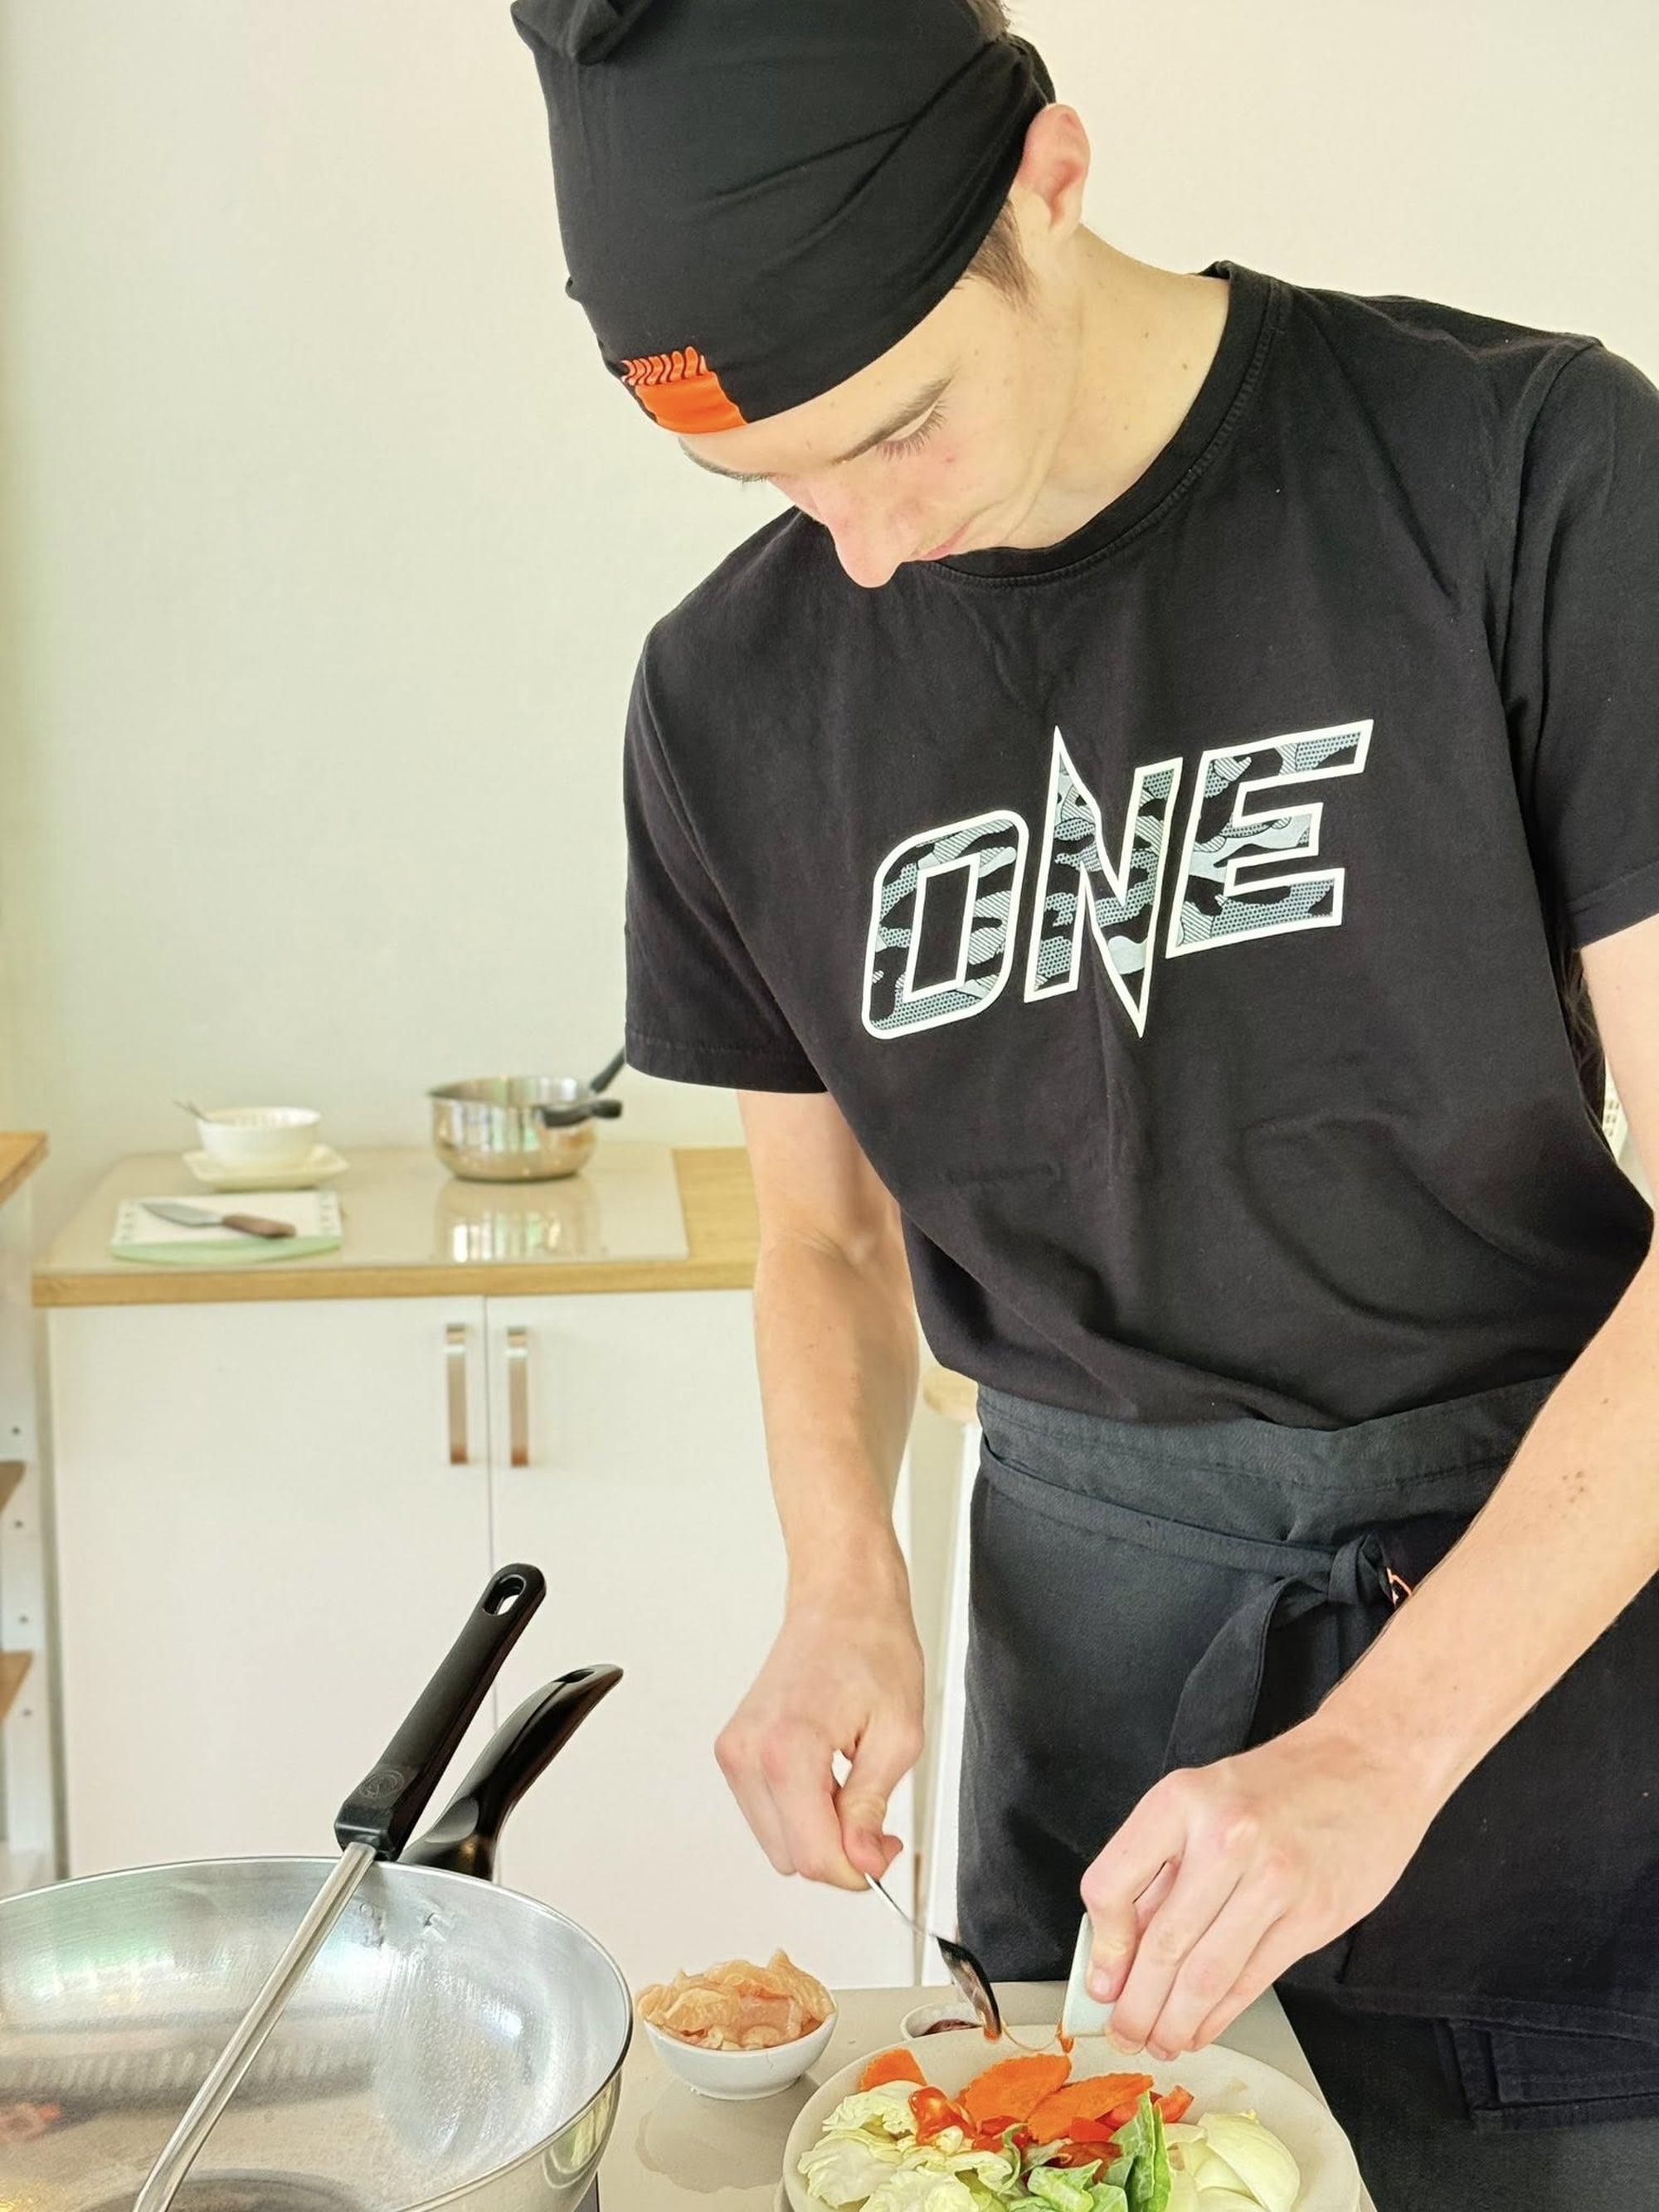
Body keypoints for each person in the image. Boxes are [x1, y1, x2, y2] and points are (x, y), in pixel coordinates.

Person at [511, 1, 1659, 2200]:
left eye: (901, 428)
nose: (863, 549)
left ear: (1049, 180)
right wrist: (841, 1578)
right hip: (1091, 1677)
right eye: (775, 484)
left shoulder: (1524, 474)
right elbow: (825, 1235)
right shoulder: (727, 695)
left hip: (1530, 1646)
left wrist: (1382, 1750)